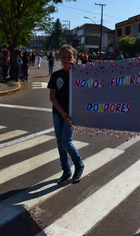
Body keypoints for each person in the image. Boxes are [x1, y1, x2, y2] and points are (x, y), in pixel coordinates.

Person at [47, 44, 85, 184]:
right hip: (58, 113)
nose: (67, 59)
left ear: (75, 58)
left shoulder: (80, 75)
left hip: (72, 114)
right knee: (59, 143)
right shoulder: (56, 75)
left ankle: (79, 165)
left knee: (66, 142)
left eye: (70, 57)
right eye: (64, 57)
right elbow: (52, 97)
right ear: (60, 58)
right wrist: (62, 112)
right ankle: (66, 170)